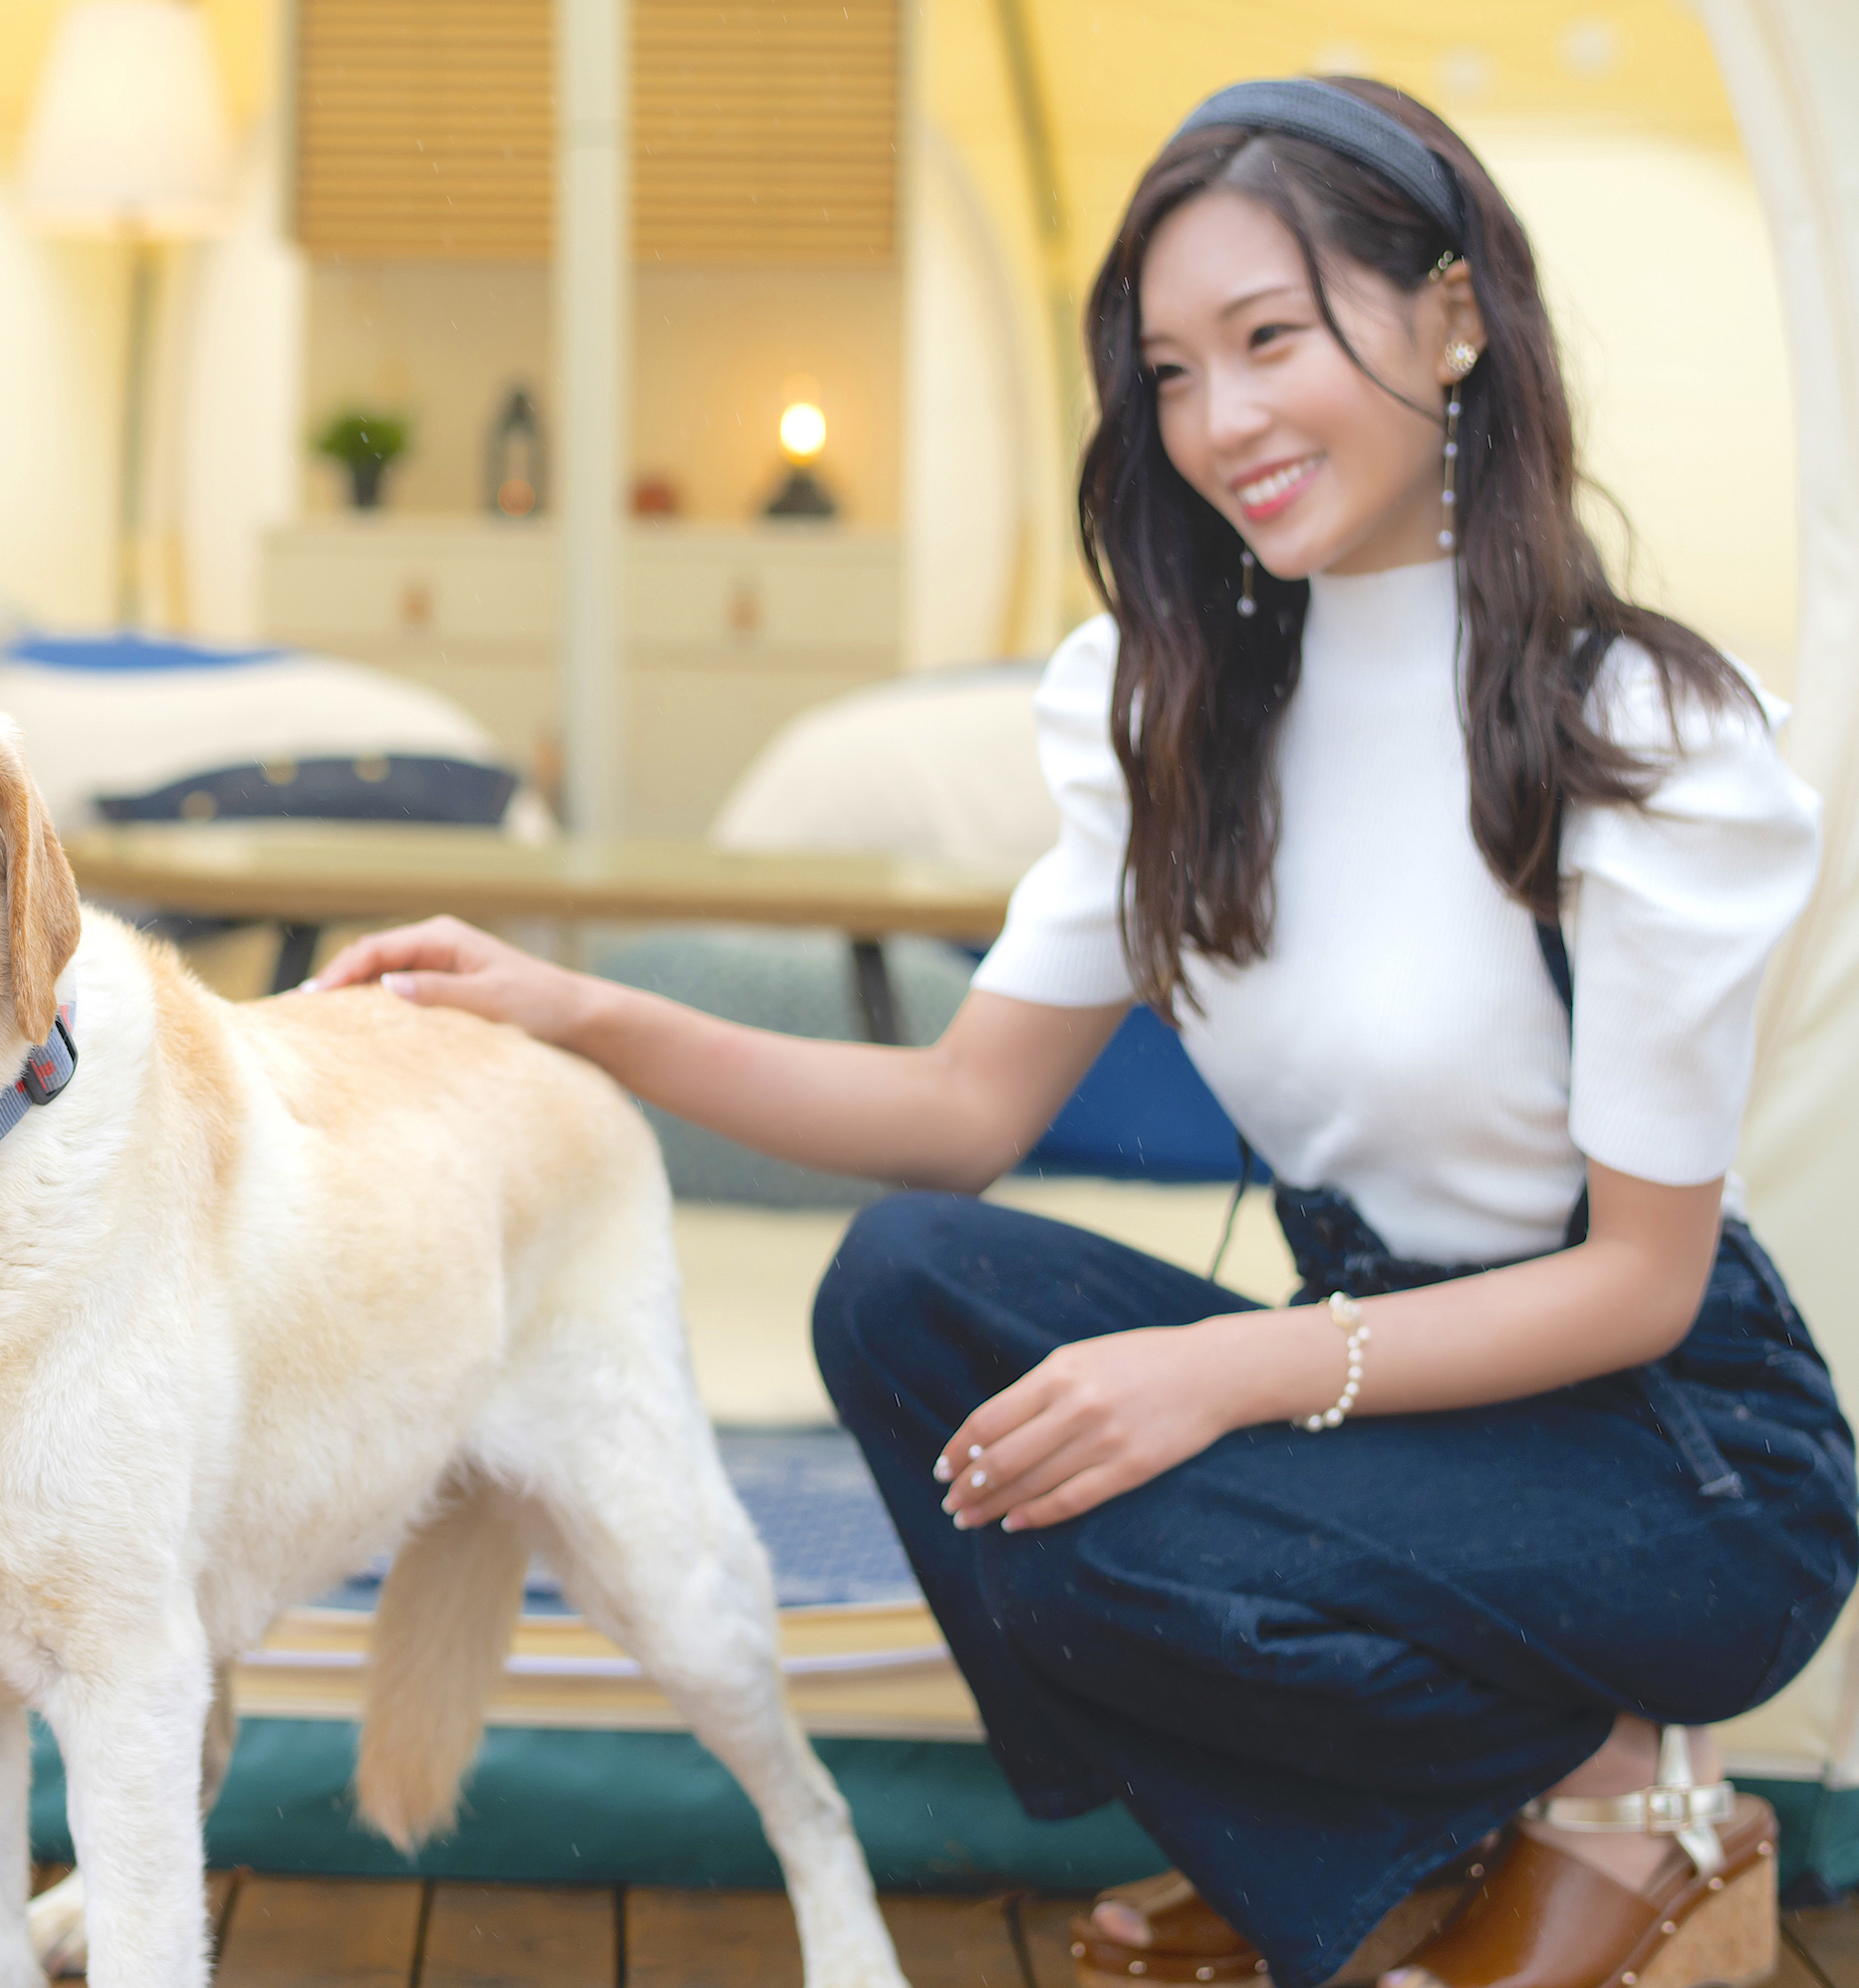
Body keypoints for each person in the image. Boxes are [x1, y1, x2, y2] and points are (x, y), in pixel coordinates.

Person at [304, 75, 1855, 1988]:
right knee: (909, 1298)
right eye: (1173, 373)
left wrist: (1217, 1378)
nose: (1222, 423)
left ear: (1453, 316)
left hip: (1669, 1459)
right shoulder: (1174, 705)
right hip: (1374, 1390)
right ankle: (1382, 1849)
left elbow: (1638, 1282)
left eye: (1272, 339)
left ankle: (1609, 1799)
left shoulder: (1640, 736)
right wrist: (579, 1005)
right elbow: (962, 1113)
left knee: (1097, 1529)